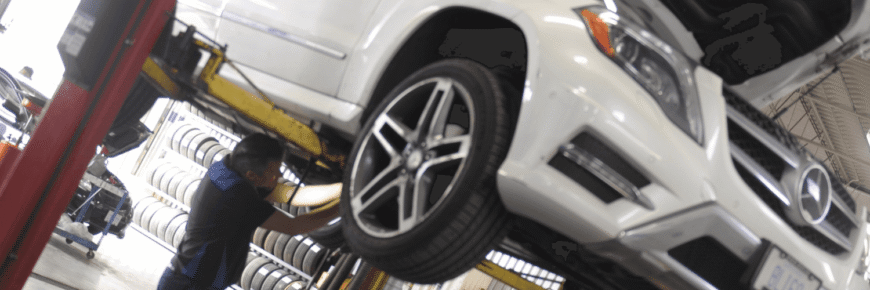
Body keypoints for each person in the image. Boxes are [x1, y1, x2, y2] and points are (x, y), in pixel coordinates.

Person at [157, 133, 340, 290]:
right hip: (188, 285)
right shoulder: (239, 197)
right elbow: (294, 226)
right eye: (275, 172)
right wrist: (344, 207)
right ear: (252, 175)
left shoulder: (227, 169)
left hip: (186, 280)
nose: (280, 176)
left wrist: (342, 189)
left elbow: (290, 195)